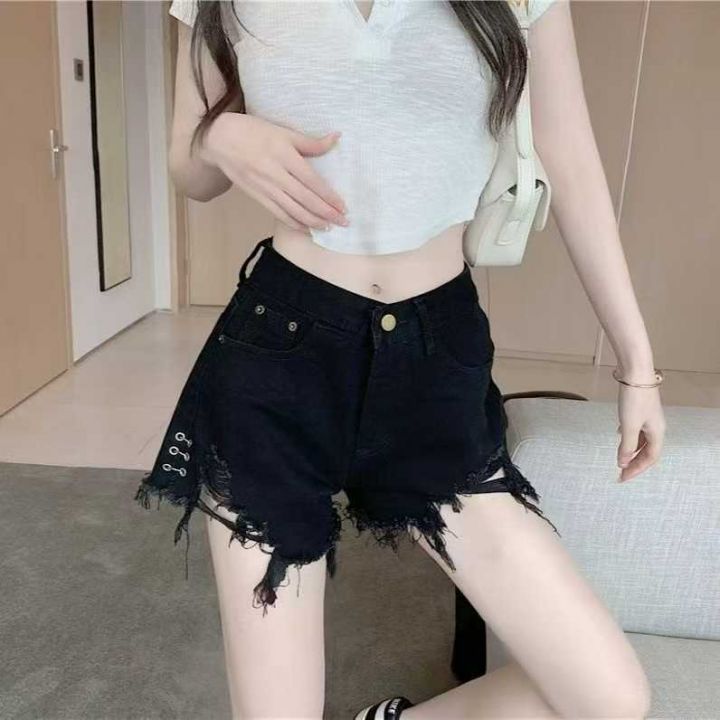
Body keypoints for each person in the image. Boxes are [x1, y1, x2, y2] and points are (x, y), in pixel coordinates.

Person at [134, 1, 665, 718]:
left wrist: (637, 361)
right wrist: (220, 134)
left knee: (609, 697)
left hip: (436, 361)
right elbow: (189, 167)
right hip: (279, 358)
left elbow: (570, 157)